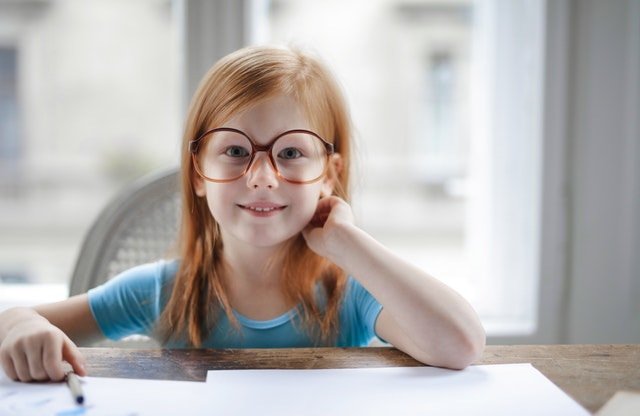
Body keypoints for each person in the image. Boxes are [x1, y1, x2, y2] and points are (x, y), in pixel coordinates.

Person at [0, 46, 485, 383]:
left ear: (330, 174)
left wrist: (347, 242)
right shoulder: (162, 292)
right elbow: (16, 321)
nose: (261, 177)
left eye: (292, 153)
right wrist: (20, 326)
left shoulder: (350, 294)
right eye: (235, 150)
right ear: (197, 172)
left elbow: (461, 344)